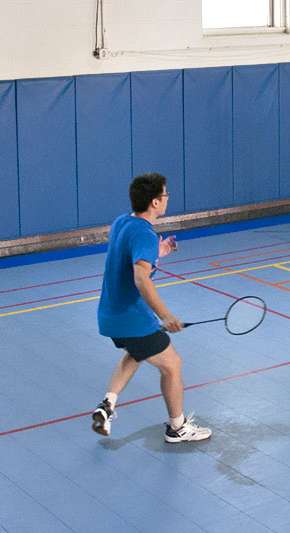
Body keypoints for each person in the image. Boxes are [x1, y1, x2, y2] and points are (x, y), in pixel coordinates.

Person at [90, 173, 212, 443]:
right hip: (130, 318)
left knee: (137, 353)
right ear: (155, 202)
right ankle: (178, 428)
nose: (168, 198)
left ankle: (107, 405)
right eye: (165, 195)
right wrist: (165, 316)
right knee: (172, 365)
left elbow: (127, 255)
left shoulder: (123, 222)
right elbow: (140, 278)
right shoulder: (145, 235)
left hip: (109, 314)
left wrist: (157, 252)